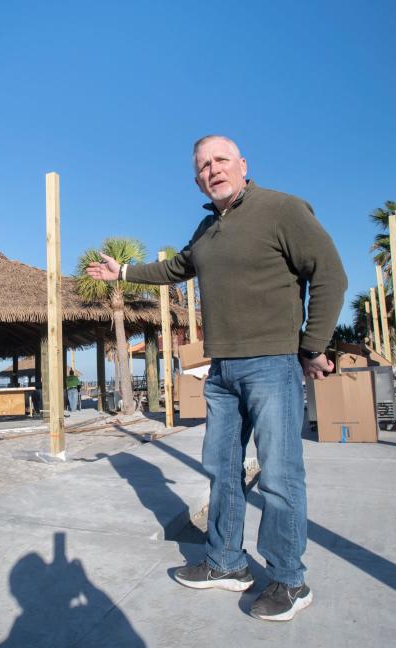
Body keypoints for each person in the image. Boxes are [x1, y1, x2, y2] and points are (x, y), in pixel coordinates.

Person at [85, 135, 346, 622]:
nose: (213, 169)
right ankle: (228, 563)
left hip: (272, 362)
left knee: (281, 474)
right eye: (203, 165)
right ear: (196, 179)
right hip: (222, 368)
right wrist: (122, 271)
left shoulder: (282, 209)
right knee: (222, 471)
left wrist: (312, 345)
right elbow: (177, 267)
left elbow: (330, 273)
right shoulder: (207, 228)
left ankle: (290, 580)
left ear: (244, 164)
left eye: (221, 159)